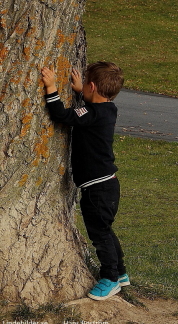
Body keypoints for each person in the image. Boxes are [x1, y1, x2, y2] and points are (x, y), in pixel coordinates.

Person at [41, 61, 130, 300]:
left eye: (86, 87)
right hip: (106, 184)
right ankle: (120, 272)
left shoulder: (90, 114)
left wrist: (51, 87)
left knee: (99, 233)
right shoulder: (109, 109)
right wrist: (81, 91)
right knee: (105, 231)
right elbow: (91, 108)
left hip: (97, 189)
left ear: (92, 86)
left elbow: (62, 115)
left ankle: (110, 278)